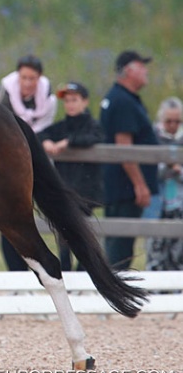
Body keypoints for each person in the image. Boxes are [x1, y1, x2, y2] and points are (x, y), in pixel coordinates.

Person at [0, 55, 57, 270]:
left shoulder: (49, 100)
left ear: (39, 78)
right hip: (4, 161)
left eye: (32, 78)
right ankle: (15, 272)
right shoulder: (0, 93)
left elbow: (43, 129)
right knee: (8, 218)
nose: (28, 83)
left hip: (30, 158)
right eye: (24, 78)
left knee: (28, 220)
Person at [100, 50, 159, 270]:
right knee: (120, 249)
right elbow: (124, 147)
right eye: (141, 66)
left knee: (120, 243)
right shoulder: (122, 101)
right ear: (128, 71)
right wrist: (140, 184)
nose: (146, 71)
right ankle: (115, 292)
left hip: (120, 186)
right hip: (125, 187)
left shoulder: (120, 97)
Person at [38, 81, 104, 271]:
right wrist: (47, 141)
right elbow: (40, 134)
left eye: (74, 100)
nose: (70, 104)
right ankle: (66, 272)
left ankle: (83, 272)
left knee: (83, 234)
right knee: (64, 234)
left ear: (85, 102)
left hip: (85, 191)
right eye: (67, 101)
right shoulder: (61, 126)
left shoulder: (92, 125)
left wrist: (69, 143)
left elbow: (95, 138)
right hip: (65, 189)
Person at [146, 97, 183, 271]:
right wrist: (165, 167)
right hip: (158, 203)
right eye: (169, 121)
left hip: (179, 203)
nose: (173, 125)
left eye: (177, 121)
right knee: (156, 250)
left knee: (178, 252)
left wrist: (178, 170)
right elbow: (148, 170)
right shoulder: (153, 137)